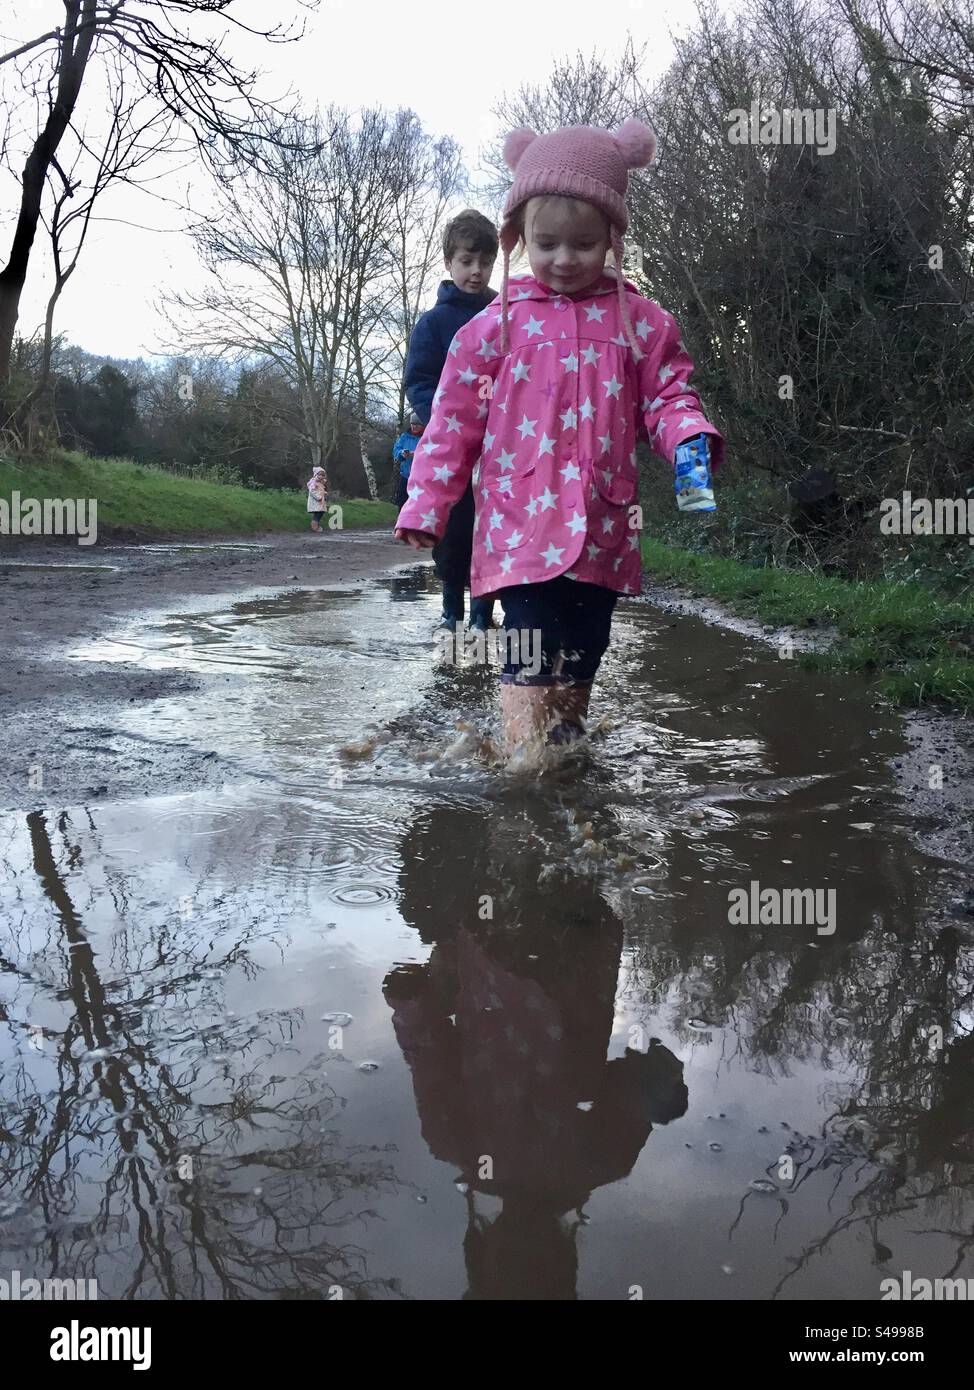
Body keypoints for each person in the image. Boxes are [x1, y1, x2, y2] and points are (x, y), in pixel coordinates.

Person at [395, 118, 725, 751]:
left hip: (603, 525)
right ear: (519, 239)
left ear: (611, 237)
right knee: (528, 642)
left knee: (584, 648)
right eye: (546, 245)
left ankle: (563, 749)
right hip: (518, 525)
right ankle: (523, 765)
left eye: (583, 244)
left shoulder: (641, 323)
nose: (565, 260)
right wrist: (427, 503)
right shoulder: (492, 328)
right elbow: (452, 419)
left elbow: (668, 395)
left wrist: (689, 442)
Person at [404, 209, 499, 632]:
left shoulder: (507, 318)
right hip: (451, 450)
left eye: (484, 262)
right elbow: (419, 381)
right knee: (453, 533)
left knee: (491, 530)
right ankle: (450, 612)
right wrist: (445, 420)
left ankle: (483, 615)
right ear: (448, 263)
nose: (476, 272)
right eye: (466, 261)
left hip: (500, 450)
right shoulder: (433, 323)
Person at [393, 414, 423, 509]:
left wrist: (418, 455)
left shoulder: (427, 437)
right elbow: (396, 450)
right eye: (412, 424)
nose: (414, 426)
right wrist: (402, 454)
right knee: (402, 504)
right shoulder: (404, 437)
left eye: (417, 424)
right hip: (405, 476)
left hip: (421, 479)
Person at [306, 465, 328, 532]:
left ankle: (316, 525)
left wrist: (324, 493)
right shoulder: (313, 482)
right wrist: (318, 497)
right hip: (316, 501)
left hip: (321, 500)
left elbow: (321, 489)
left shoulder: (321, 482)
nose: (321, 476)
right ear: (316, 474)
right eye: (320, 475)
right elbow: (312, 491)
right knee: (317, 513)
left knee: (321, 512)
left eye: (322, 475)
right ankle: (314, 526)